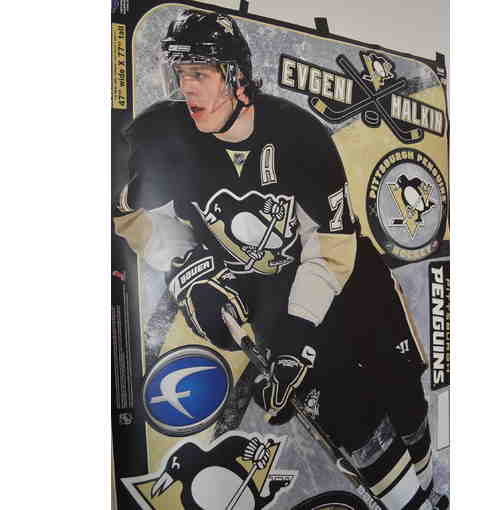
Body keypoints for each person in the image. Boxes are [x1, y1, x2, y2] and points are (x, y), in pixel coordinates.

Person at [113, 9, 445, 510]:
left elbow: (332, 245)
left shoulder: (299, 136)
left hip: (348, 277)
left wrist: (300, 328)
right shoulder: (164, 138)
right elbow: (133, 220)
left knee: (401, 392)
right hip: (266, 297)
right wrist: (190, 274)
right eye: (180, 74)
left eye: (200, 73)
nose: (186, 88)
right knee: (349, 418)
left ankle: (430, 482)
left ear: (236, 78)